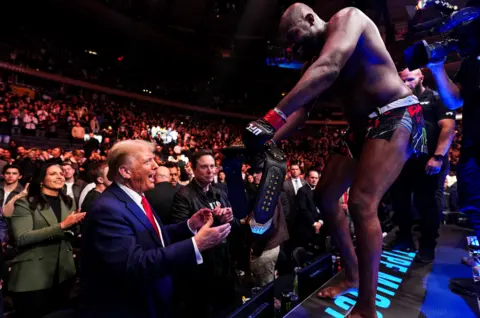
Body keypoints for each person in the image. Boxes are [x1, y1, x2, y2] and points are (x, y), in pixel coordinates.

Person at [243, 3, 427, 317]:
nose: (292, 46)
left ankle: (367, 308)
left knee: (361, 202)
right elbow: (301, 113)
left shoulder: (348, 18)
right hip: (362, 127)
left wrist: (271, 118)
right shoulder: (310, 65)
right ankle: (353, 274)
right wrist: (267, 139)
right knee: (325, 196)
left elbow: (331, 65)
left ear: (311, 19)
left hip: (397, 112)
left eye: (294, 35)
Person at [81, 140, 231, 318]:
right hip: (131, 307)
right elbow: (133, 265)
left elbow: (153, 236)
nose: (156, 166)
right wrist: (195, 245)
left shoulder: (137, 197)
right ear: (125, 171)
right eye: (147, 162)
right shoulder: (107, 209)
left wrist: (189, 225)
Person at [387, 68, 455, 263]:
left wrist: (438, 157)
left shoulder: (435, 98)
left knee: (428, 205)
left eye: (410, 79)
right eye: (403, 80)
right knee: (400, 203)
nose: (406, 83)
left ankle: (427, 247)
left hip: (430, 161)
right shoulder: (398, 102)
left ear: (421, 78)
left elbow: (448, 127)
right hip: (403, 161)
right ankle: (404, 239)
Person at [427, 49, 480, 292]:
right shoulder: (471, 61)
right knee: (473, 203)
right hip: (473, 143)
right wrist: (437, 66)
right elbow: (454, 100)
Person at [9, 162, 86, 318]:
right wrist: (62, 226)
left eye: (61, 173)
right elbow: (22, 238)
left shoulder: (68, 202)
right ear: (42, 180)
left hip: (63, 274)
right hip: (33, 276)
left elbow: (69, 236)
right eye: (53, 174)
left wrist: (76, 227)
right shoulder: (26, 203)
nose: (59, 176)